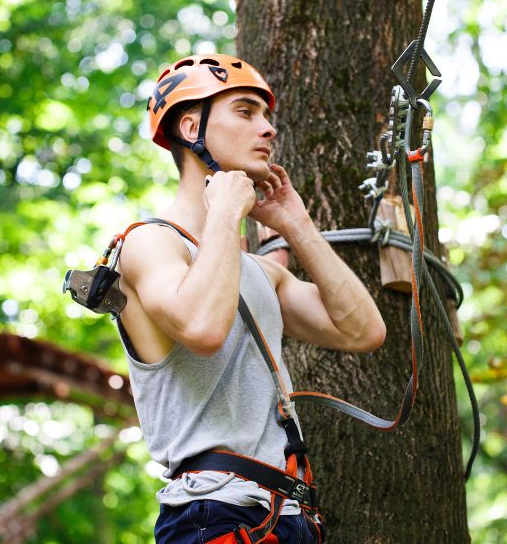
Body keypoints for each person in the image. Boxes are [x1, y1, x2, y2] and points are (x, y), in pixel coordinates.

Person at [115, 54, 386, 543]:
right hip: (211, 512)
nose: (267, 129)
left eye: (267, 116)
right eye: (245, 112)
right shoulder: (149, 243)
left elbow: (363, 331)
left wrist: (295, 224)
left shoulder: (259, 272)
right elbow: (202, 329)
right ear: (191, 126)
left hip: (288, 517)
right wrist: (224, 213)